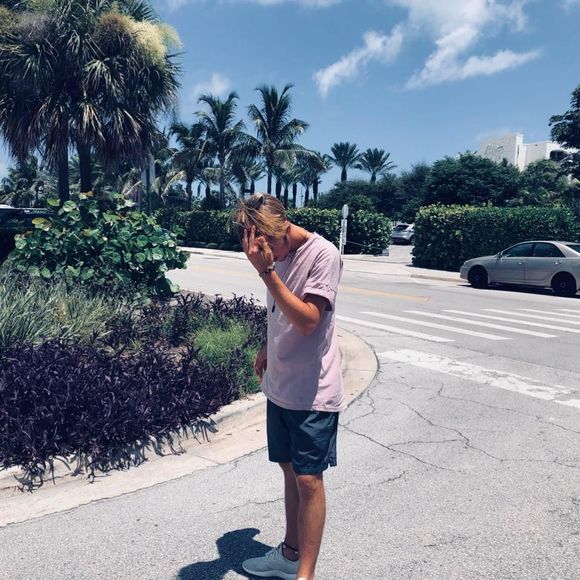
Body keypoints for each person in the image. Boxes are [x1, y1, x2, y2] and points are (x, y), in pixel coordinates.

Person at [231, 193, 345, 580]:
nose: (269, 256)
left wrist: (267, 272)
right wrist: (268, 344)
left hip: (313, 390)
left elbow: (310, 320)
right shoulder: (273, 255)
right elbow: (280, 310)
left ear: (283, 227)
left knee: (309, 479)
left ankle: (304, 574)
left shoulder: (323, 254)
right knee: (289, 470)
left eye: (268, 246)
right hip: (279, 384)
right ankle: (290, 554)